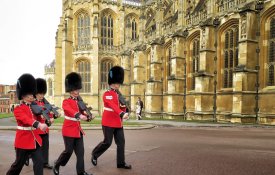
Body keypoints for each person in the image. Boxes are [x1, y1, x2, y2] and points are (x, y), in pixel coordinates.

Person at [6, 73, 48, 175]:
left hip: (35, 140)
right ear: (22, 96)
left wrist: (45, 121)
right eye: (27, 95)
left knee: (39, 162)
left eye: (31, 94)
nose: (30, 97)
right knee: (18, 165)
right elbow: (26, 119)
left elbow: (40, 119)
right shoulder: (18, 109)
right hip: (23, 141)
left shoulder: (34, 108)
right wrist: (38, 124)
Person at [53, 72, 94, 175]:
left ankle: (81, 172)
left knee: (80, 153)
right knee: (68, 151)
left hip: (78, 131)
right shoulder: (66, 101)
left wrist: (89, 117)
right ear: (71, 90)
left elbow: (84, 113)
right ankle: (57, 164)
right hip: (68, 130)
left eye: (78, 89)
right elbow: (70, 111)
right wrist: (79, 116)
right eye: (75, 90)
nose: (77, 91)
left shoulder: (80, 102)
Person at [91, 66, 132, 169]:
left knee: (121, 143)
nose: (118, 84)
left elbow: (122, 105)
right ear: (112, 83)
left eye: (119, 82)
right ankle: (95, 154)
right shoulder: (107, 94)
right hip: (108, 122)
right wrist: (121, 114)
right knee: (107, 142)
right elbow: (113, 106)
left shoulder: (119, 94)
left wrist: (126, 112)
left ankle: (121, 163)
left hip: (118, 123)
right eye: (117, 82)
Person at [34, 78, 54, 169]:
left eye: (43, 93)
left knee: (45, 147)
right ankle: (27, 157)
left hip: (45, 129)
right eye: (40, 94)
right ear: (36, 93)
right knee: (36, 148)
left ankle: (45, 162)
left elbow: (49, 113)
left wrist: (52, 117)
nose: (42, 95)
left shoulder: (45, 103)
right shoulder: (33, 103)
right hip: (37, 129)